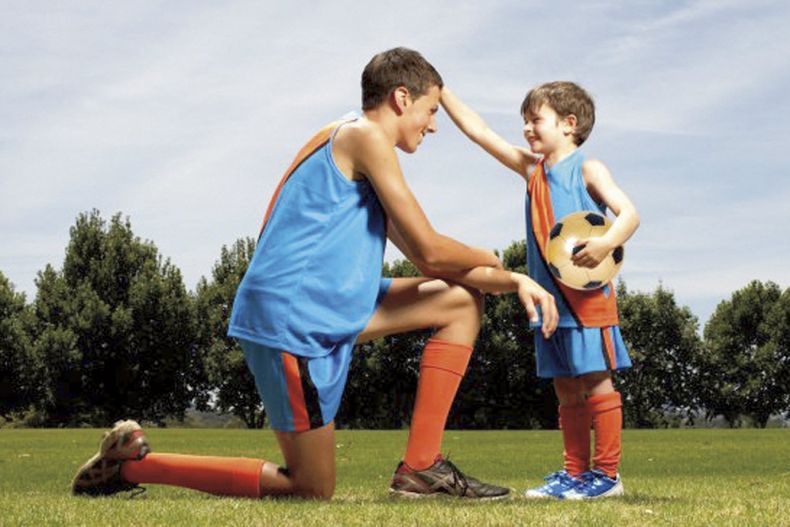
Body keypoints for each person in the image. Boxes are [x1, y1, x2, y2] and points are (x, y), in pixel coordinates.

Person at [71, 47, 558, 501]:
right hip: (291, 320)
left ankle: (420, 468)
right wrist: (491, 257)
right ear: (401, 98)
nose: (433, 126)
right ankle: (132, 467)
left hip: (330, 304)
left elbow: (426, 256)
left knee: (459, 301)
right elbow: (432, 252)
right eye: (431, 111)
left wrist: (513, 280)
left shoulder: (357, 144)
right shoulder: (364, 136)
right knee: (309, 486)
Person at [441, 81, 639, 499]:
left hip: (587, 302)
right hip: (548, 304)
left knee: (596, 383)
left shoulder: (589, 169)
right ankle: (575, 474)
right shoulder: (532, 171)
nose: (527, 129)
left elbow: (629, 214)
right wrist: (441, 93)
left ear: (569, 124)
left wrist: (605, 243)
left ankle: (607, 476)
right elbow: (480, 132)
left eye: (535, 120)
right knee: (565, 389)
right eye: (525, 122)